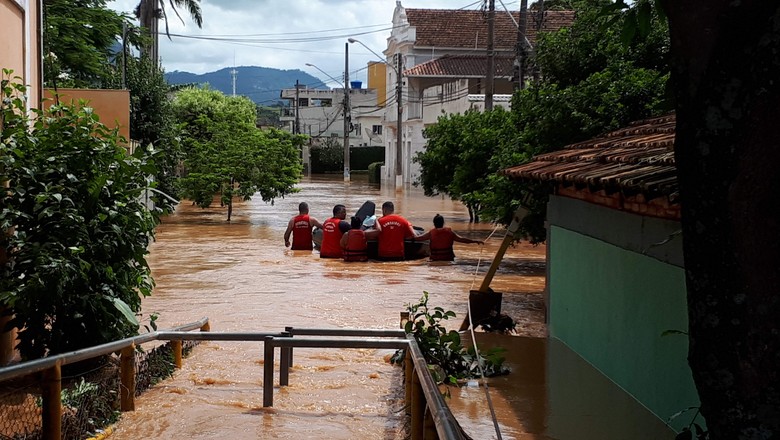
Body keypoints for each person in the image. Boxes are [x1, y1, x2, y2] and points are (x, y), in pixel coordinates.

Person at [414, 214, 484, 261]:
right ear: (443, 223)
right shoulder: (450, 232)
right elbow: (462, 240)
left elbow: (419, 238)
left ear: (434, 223)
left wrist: (409, 237)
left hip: (435, 260)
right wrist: (474, 241)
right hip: (448, 259)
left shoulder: (431, 233)